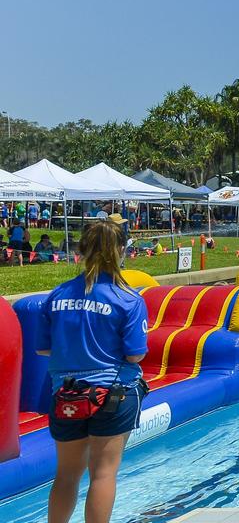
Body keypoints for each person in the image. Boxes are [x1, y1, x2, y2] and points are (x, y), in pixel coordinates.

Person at [35, 220, 148, 523]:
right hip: (113, 393)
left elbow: (43, 349)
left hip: (67, 394)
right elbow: (135, 354)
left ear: (82, 249)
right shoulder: (128, 298)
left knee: (66, 476)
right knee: (102, 474)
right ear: (122, 250)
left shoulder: (57, 296)